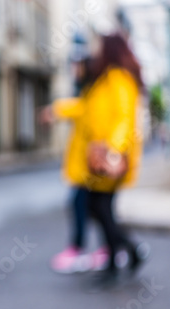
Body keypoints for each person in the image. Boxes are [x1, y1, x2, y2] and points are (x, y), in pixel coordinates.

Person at [43, 33, 147, 281]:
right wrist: (57, 110)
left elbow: (123, 117)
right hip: (99, 157)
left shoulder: (117, 77)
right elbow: (84, 108)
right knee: (101, 209)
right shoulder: (105, 79)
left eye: (100, 47)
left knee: (98, 208)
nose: (96, 52)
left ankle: (121, 257)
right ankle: (123, 255)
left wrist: (113, 149)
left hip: (107, 157)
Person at [49, 56, 109, 274]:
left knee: (89, 207)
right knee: (94, 209)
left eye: (78, 67)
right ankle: (107, 249)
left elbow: (81, 109)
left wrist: (55, 110)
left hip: (90, 167)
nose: (75, 71)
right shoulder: (88, 91)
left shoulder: (94, 93)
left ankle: (86, 249)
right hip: (86, 166)